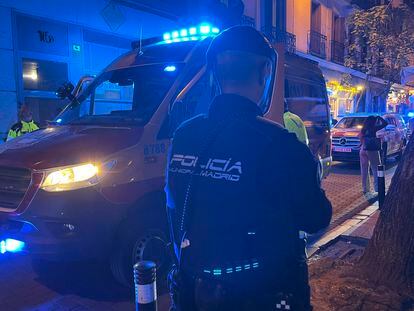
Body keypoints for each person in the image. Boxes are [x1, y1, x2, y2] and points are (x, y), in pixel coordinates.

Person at [165, 26, 332, 311]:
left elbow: (173, 203)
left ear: (214, 74)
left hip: (194, 289)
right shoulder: (281, 144)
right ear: (266, 72)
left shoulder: (183, 135)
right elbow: (316, 218)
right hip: (264, 292)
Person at [358, 115, 387, 194]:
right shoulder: (373, 128)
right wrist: (379, 117)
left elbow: (360, 138)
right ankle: (377, 188)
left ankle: (365, 188)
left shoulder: (363, 129)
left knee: (364, 170)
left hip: (362, 149)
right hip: (371, 150)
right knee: (375, 168)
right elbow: (385, 123)